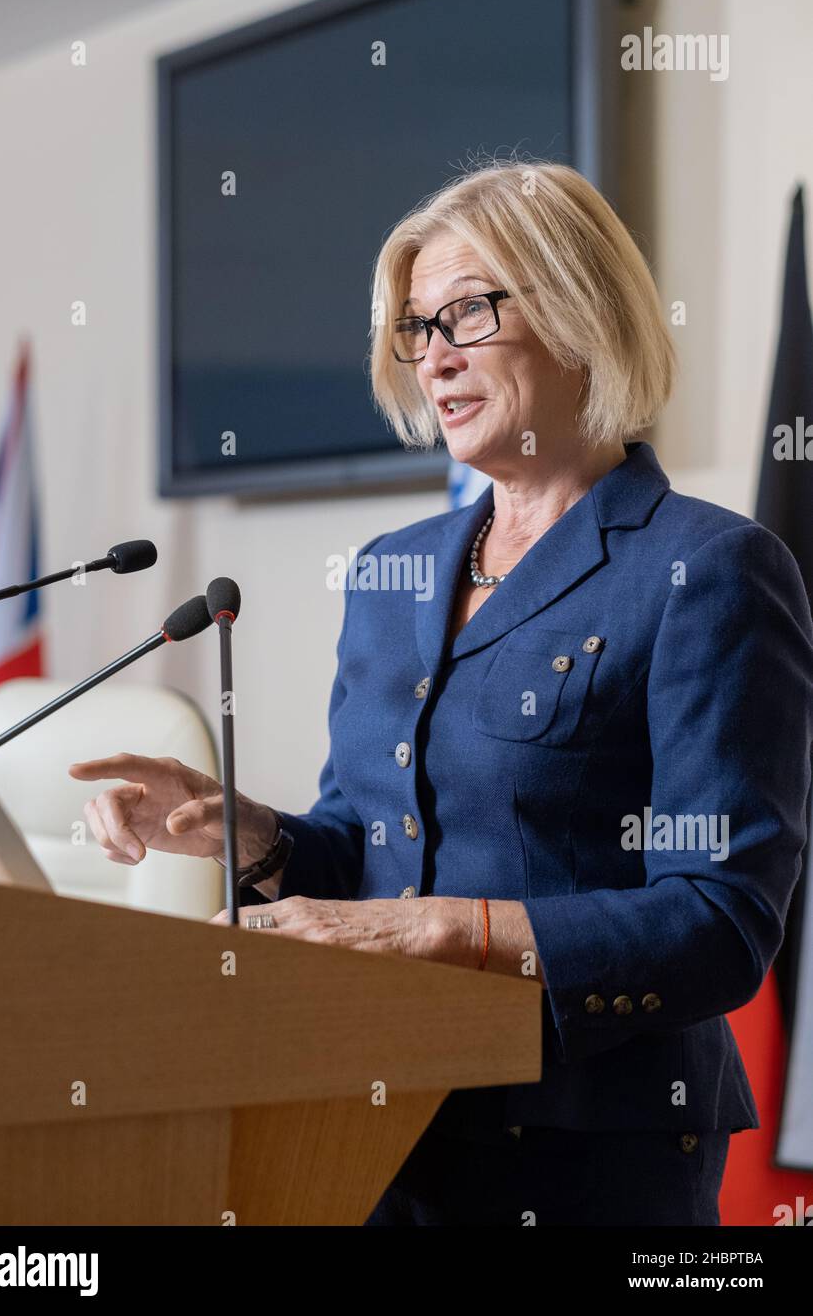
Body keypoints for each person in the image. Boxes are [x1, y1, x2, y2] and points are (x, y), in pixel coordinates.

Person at [70, 160, 813, 1225]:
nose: (433, 357)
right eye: (415, 328)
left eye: (465, 311)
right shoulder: (390, 569)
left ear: (574, 305)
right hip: (359, 1118)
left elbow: (718, 922)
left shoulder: (705, 568)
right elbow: (364, 847)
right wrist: (250, 835)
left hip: (581, 1155)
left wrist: (450, 930)